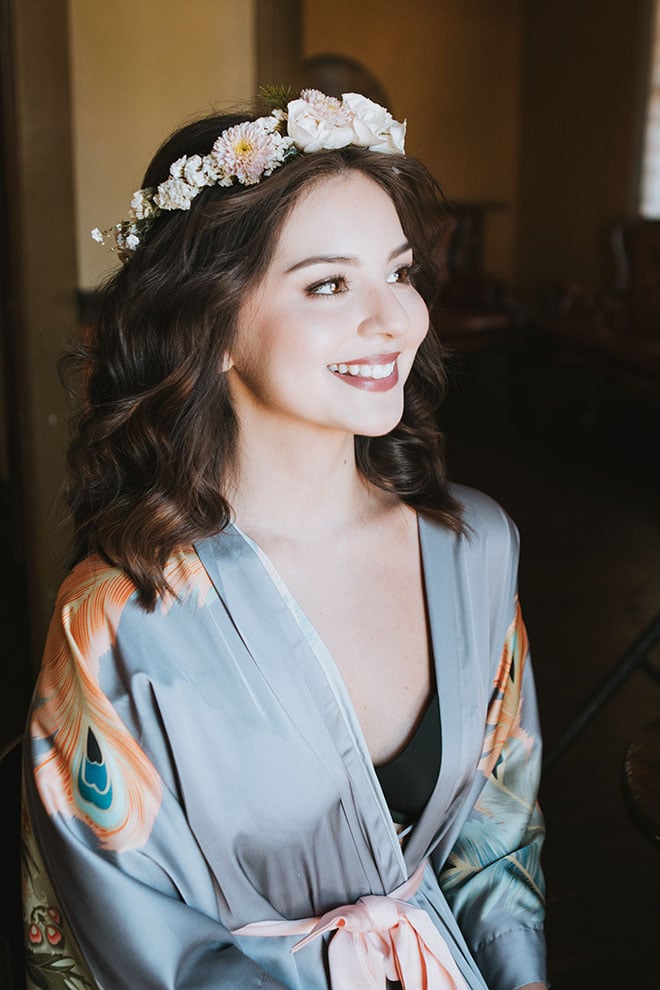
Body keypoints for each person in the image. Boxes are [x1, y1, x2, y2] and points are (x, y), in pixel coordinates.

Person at [22, 88, 548, 990]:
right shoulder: (120, 619)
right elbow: (123, 946)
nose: (395, 320)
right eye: (329, 284)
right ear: (213, 323)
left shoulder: (474, 552)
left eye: (402, 271)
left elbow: (500, 847)